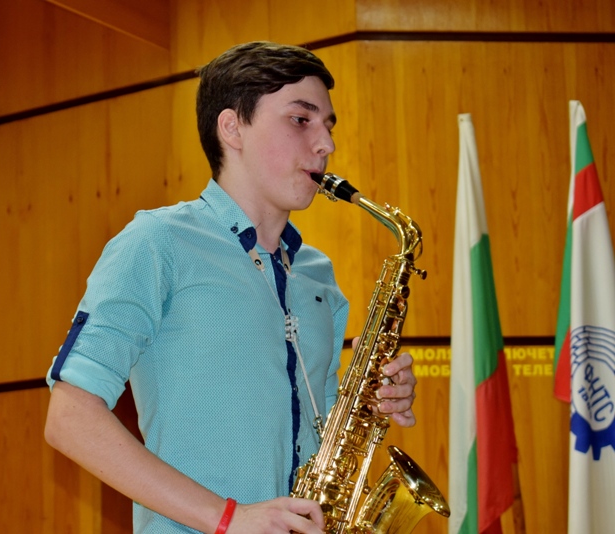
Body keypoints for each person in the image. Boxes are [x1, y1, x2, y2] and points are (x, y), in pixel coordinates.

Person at [44, 41, 418, 534]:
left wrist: (374, 402)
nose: (326, 144)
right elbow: (70, 419)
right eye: (301, 120)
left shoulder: (317, 274)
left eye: (328, 125)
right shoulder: (157, 242)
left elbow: (322, 432)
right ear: (232, 128)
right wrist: (229, 518)